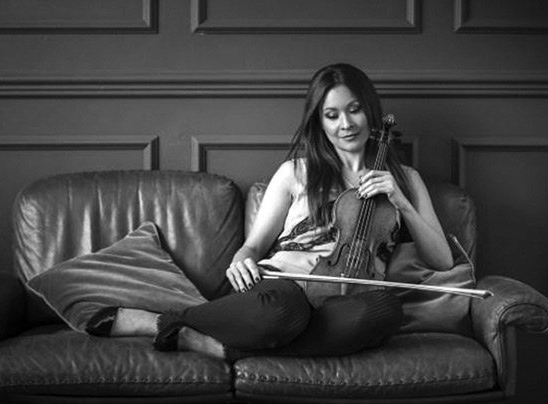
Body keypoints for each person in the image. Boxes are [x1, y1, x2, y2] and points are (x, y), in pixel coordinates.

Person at [85, 63, 453, 360]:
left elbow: (442, 260)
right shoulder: (296, 172)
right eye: (332, 115)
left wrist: (401, 201)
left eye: (354, 110)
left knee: (385, 310)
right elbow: (254, 246)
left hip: (347, 299)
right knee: (284, 311)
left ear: (370, 110)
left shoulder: (406, 180)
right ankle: (162, 321)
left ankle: (220, 348)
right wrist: (241, 260)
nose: (346, 124)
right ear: (319, 122)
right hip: (286, 288)